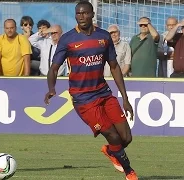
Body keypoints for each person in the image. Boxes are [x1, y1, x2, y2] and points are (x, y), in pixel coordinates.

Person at [44, 1, 138, 180]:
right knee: (112, 135)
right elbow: (54, 68)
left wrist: (124, 98)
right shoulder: (68, 39)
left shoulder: (103, 37)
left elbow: (115, 66)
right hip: (83, 99)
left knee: (126, 138)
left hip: (104, 92)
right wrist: (51, 88)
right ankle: (129, 172)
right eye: (78, 14)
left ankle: (110, 151)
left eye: (85, 13)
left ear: (92, 14)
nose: (81, 17)